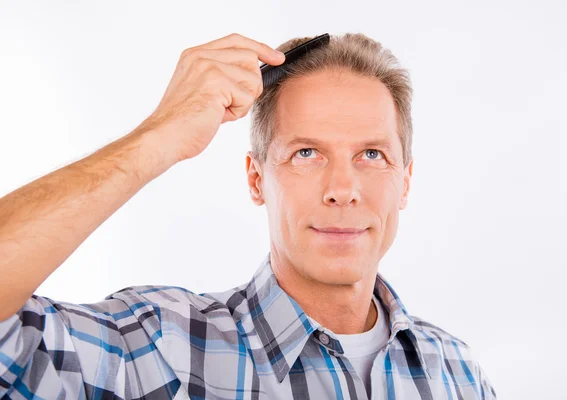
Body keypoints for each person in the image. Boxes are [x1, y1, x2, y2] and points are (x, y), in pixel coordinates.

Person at [0, 32, 496, 399]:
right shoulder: (160, 351)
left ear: (404, 182)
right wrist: (160, 134)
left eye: (371, 155)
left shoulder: (457, 372)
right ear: (257, 179)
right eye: (307, 153)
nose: (343, 190)